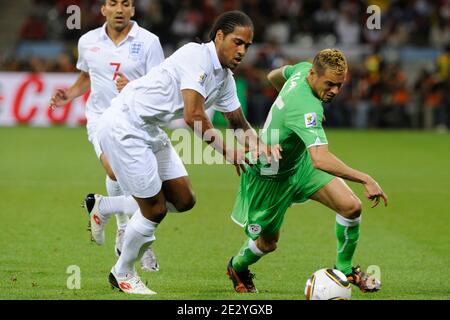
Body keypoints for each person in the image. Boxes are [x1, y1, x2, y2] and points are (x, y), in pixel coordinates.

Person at [85, 10, 281, 295]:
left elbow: (238, 124)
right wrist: (231, 153)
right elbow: (193, 116)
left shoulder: (224, 77)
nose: (242, 51)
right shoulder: (196, 55)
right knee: (154, 209)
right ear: (220, 36)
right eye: (237, 42)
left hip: (149, 129)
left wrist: (263, 147)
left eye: (247, 46)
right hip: (124, 125)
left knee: (183, 199)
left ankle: (105, 206)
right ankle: (123, 273)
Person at [226, 49, 388, 294]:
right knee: (268, 244)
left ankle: (344, 269)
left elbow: (273, 76)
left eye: (339, 85)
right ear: (314, 74)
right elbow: (321, 158)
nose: (334, 90)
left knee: (351, 207)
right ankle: (237, 266)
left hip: (299, 165)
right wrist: (366, 178)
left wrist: (288, 112)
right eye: (330, 84)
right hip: (269, 175)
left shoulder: (301, 69)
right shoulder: (307, 108)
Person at [49, 0, 163, 271]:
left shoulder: (149, 42)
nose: (120, 9)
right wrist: (69, 94)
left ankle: (106, 209)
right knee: (115, 172)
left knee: (149, 188)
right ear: (103, 9)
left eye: (126, 3)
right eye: (113, 3)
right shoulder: (88, 41)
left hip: (138, 121)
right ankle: (125, 232)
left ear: (133, 10)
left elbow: (161, 83)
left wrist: (135, 86)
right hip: (101, 118)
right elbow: (87, 76)